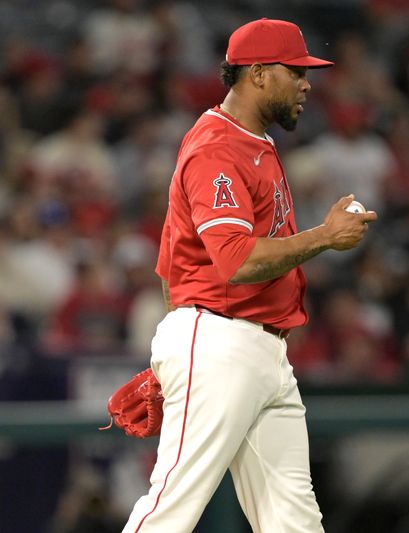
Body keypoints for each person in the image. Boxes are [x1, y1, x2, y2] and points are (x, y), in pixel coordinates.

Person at [123, 18, 377, 533]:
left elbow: (171, 265)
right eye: (296, 72)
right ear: (258, 73)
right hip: (222, 341)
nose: (307, 84)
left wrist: (181, 352)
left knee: (293, 519)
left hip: (252, 350)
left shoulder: (247, 140)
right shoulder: (218, 148)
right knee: (170, 508)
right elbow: (236, 261)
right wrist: (193, 349)